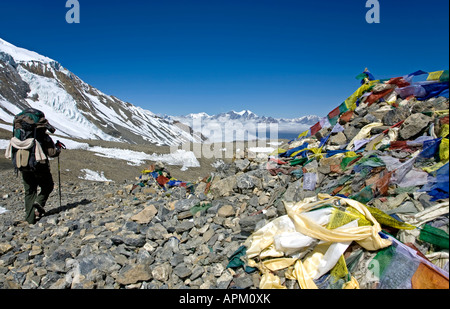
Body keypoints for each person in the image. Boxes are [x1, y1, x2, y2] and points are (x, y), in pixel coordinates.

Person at [20, 127, 62, 224]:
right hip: (40, 166)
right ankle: (39, 203)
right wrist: (58, 148)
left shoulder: (21, 135)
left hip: (24, 166)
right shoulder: (43, 136)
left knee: (29, 192)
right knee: (48, 185)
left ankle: (30, 219)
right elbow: (52, 153)